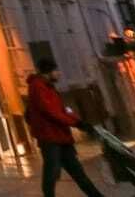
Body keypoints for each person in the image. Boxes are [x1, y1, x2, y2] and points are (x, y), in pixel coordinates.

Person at [25, 58, 103, 197]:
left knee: (77, 171)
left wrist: (79, 122)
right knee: (52, 171)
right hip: (50, 137)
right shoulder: (38, 87)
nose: (59, 74)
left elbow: (63, 109)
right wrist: (76, 123)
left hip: (61, 136)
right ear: (48, 72)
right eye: (56, 71)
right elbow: (51, 111)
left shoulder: (49, 87)